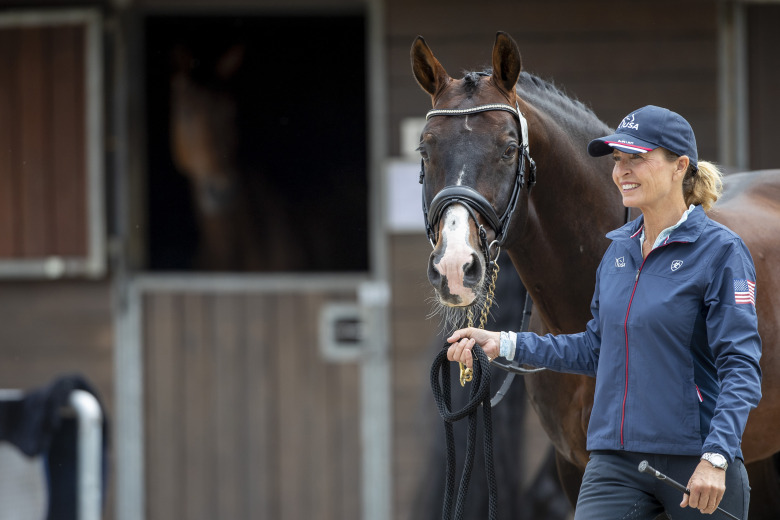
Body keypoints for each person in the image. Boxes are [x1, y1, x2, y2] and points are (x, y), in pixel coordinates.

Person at [446, 105, 762, 519]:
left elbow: (740, 366)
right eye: (617, 159)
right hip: (615, 462)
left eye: (637, 158)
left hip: (696, 459)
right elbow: (597, 348)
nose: (621, 171)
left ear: (679, 166)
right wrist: (502, 343)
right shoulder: (618, 252)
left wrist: (717, 456)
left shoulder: (722, 252)